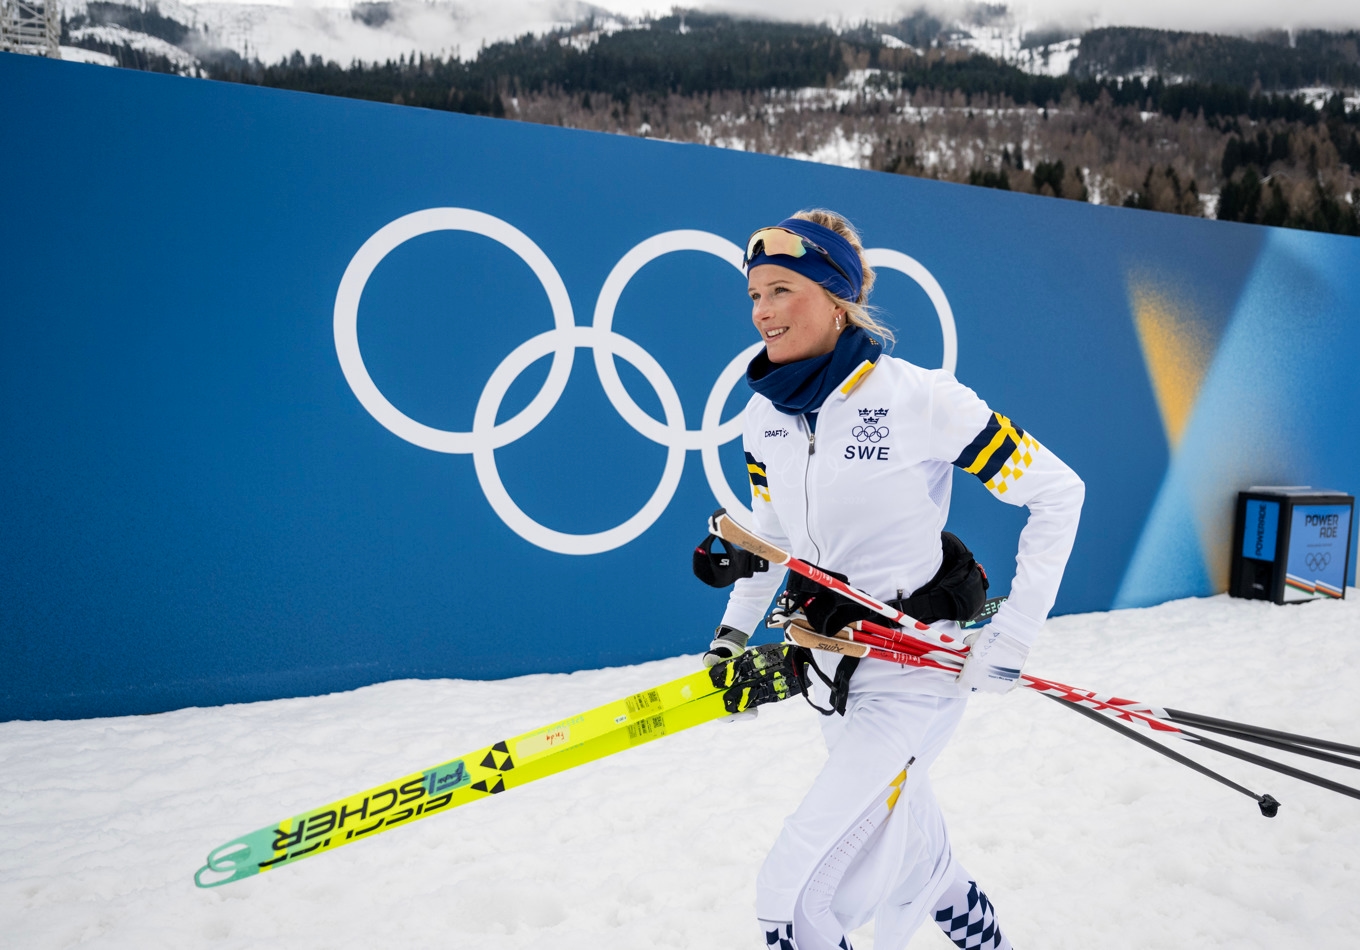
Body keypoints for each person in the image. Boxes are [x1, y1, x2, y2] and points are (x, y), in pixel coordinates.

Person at [703, 210, 1084, 950]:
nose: (762, 313)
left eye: (782, 290)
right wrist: (728, 639)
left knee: (795, 897)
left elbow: (1058, 492)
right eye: (754, 296)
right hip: (829, 668)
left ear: (835, 296)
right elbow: (771, 542)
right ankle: (977, 928)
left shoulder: (921, 400)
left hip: (913, 673)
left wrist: (1017, 633)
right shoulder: (765, 419)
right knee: (897, 838)